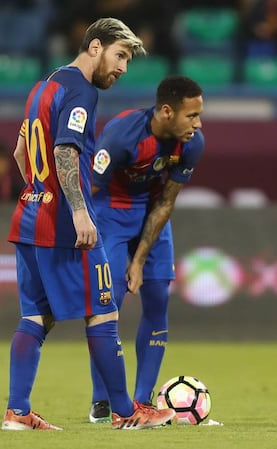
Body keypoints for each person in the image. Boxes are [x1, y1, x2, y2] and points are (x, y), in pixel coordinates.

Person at [2, 17, 175, 431]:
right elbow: (65, 150)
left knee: (35, 318)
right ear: (95, 47)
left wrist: (38, 191)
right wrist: (78, 210)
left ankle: (17, 411)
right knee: (103, 312)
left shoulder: (45, 85)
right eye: (120, 56)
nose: (123, 68)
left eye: (128, 61)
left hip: (29, 216)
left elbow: (20, 152)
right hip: (65, 224)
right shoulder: (80, 91)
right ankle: (125, 410)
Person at [89, 75, 204, 423]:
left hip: (152, 217)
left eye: (200, 116)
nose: (197, 124)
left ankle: (142, 401)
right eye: (191, 116)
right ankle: (103, 401)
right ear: (166, 111)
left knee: (158, 300)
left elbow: (166, 201)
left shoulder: (192, 143)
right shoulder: (121, 135)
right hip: (109, 212)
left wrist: (138, 260)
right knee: (107, 304)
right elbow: (92, 189)